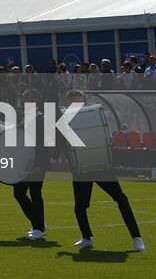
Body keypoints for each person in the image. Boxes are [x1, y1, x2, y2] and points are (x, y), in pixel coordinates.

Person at [64, 91, 144, 252]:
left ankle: (137, 238)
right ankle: (87, 238)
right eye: (73, 103)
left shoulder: (95, 115)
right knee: (79, 207)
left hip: (101, 166)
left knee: (121, 199)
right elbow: (63, 144)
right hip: (82, 169)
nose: (77, 106)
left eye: (79, 102)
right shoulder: (65, 120)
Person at [11, 88, 49, 241]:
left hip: (37, 162)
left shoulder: (40, 118)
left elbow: (42, 144)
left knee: (35, 193)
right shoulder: (23, 116)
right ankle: (38, 223)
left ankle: (38, 228)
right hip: (25, 162)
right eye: (25, 98)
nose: (27, 101)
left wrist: (39, 165)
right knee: (19, 193)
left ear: (37, 101)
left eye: (31, 99)